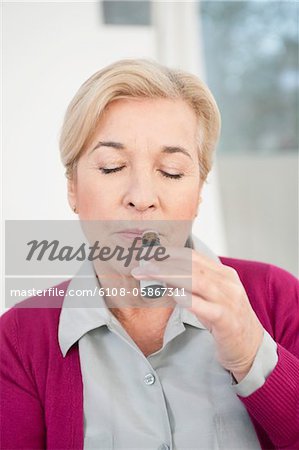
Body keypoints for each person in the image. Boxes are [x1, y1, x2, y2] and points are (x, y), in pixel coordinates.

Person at [1, 58, 298, 450]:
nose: (141, 198)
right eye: (112, 167)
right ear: (73, 187)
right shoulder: (17, 339)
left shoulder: (277, 297)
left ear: (198, 191)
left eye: (172, 171)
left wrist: (252, 354)